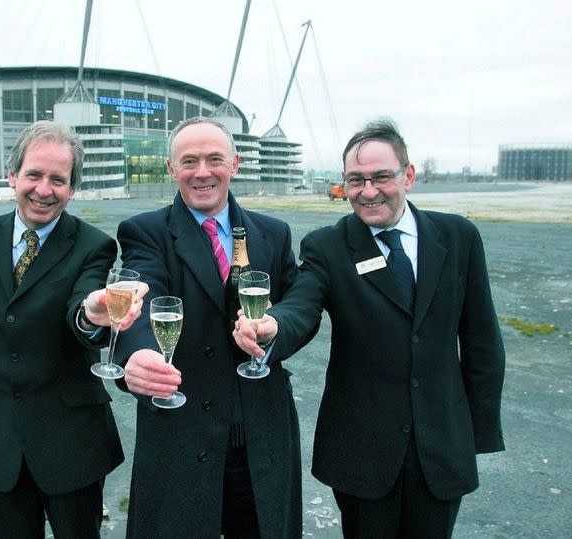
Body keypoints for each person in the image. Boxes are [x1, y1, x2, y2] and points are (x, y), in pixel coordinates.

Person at [234, 119, 505, 537]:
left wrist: (478, 433)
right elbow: (303, 305)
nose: (368, 191)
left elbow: (482, 341)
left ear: (408, 176)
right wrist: (273, 326)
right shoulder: (328, 244)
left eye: (381, 177)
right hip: (362, 446)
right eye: (355, 180)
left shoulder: (458, 237)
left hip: (442, 443)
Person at [0, 120, 146, 538]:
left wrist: (94, 311)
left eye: (58, 180)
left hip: (72, 442)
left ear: (72, 189)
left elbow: (83, 309)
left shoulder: (94, 245)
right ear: (13, 176)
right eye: (34, 175)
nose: (44, 190)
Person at [114, 117, 308, 538]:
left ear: (234, 164)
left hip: (259, 429)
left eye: (214, 159)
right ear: (171, 170)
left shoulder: (273, 233)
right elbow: (138, 292)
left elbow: (300, 304)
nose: (202, 172)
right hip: (184, 429)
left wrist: (276, 327)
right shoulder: (146, 232)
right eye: (189, 161)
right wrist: (139, 353)